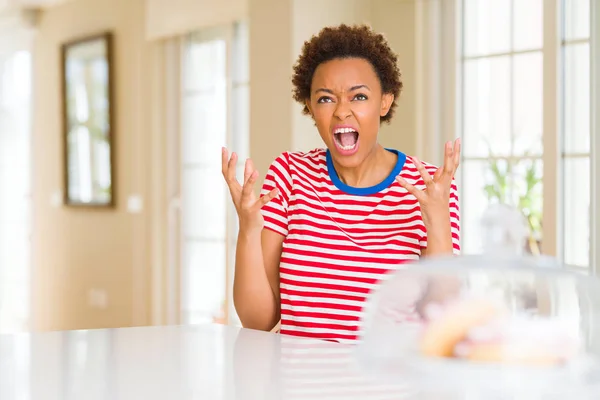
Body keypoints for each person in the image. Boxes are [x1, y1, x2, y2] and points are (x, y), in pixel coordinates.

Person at [221, 24, 460, 343]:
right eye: (325, 99)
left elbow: (443, 319)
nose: (342, 112)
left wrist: (437, 220)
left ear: (385, 102)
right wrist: (248, 231)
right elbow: (257, 321)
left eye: (359, 96)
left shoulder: (429, 186)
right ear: (310, 106)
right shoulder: (290, 175)